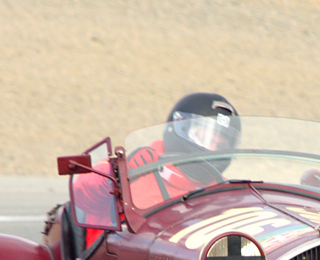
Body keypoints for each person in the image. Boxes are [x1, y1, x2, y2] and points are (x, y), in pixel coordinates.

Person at [72, 92, 241, 250]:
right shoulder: (133, 169)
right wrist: (120, 171)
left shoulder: (222, 192)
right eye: (205, 138)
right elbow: (81, 192)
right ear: (178, 128)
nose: (212, 149)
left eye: (221, 145)